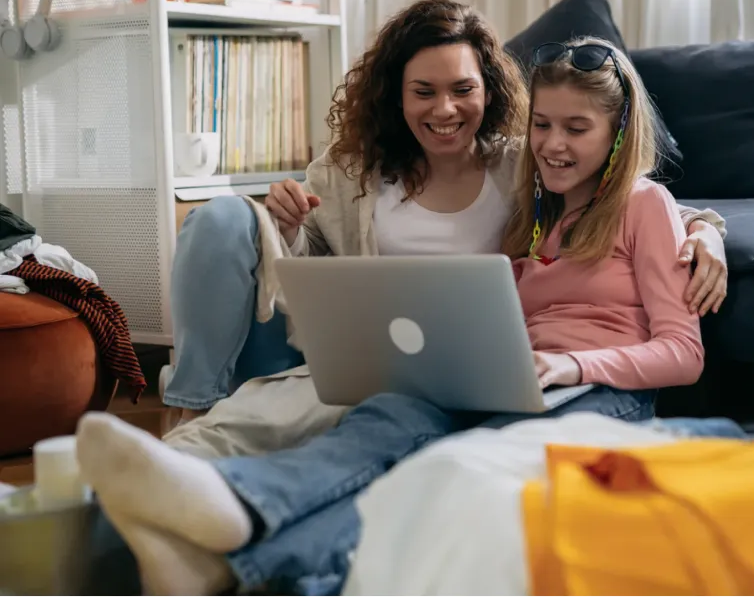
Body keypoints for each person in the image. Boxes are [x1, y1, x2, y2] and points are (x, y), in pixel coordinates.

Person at [77, 36, 720, 597]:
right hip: (512, 375)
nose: (551, 145)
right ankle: (232, 505)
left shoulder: (645, 204)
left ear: (616, 133)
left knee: (448, 469)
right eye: (543, 126)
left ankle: (247, 560)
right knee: (388, 420)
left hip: (599, 390)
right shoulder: (529, 208)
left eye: (575, 129)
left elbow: (682, 353)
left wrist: (573, 360)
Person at [162, 0, 729, 429]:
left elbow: (624, 195)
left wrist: (705, 232)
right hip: (338, 356)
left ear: (490, 91)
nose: (445, 109)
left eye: (463, 89)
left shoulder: (521, 165)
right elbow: (302, 270)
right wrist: (284, 224)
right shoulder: (350, 172)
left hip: (448, 376)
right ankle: (190, 410)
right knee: (219, 217)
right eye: (423, 92)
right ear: (397, 96)